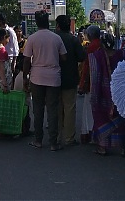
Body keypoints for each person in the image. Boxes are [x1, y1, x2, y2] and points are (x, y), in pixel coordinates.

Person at [23, 10, 67, 151]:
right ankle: (53, 143)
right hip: (53, 77)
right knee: (53, 110)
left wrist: (25, 77)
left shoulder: (32, 38)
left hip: (37, 77)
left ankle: (38, 140)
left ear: (36, 22)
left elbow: (26, 60)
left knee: (38, 109)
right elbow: (64, 58)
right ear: (48, 21)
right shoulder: (56, 38)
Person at [89, 33, 125, 156]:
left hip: (102, 93)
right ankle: (123, 148)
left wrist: (94, 95)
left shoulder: (97, 55)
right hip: (119, 93)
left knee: (101, 118)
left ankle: (102, 148)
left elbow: (95, 77)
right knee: (120, 120)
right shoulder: (121, 54)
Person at [55, 14, 86, 146]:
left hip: (54, 78)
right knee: (69, 108)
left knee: (56, 108)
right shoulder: (73, 40)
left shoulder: (54, 39)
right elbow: (81, 57)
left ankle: (56, 135)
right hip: (70, 77)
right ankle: (69, 137)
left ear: (57, 26)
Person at [78, 25, 102, 143]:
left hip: (92, 83)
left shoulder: (92, 47)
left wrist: (83, 84)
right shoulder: (101, 45)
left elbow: (87, 67)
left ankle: (92, 135)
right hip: (101, 82)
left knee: (89, 110)